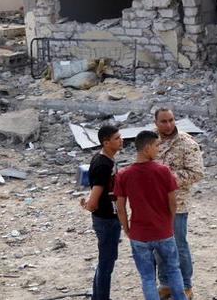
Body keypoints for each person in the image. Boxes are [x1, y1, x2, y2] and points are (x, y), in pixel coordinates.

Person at [114, 131, 187, 300]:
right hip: (163, 231)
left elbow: (121, 207)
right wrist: (169, 222)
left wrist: (127, 229)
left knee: (147, 277)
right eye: (156, 146)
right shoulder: (163, 171)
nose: (158, 149)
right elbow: (172, 202)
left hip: (139, 234)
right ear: (147, 148)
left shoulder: (124, 174)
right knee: (173, 270)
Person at [153, 108, 204, 300]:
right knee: (159, 245)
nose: (168, 125)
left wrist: (165, 179)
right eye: (163, 121)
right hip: (154, 203)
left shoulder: (186, 143)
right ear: (156, 122)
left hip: (177, 204)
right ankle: (165, 283)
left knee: (178, 245)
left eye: (171, 120)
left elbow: (197, 173)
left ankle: (185, 285)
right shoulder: (151, 141)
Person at [80, 125, 122, 300]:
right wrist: (89, 204)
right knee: (106, 263)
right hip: (107, 219)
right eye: (117, 138)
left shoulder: (104, 160)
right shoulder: (104, 165)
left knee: (105, 261)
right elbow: (97, 192)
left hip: (106, 217)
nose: (121, 140)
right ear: (106, 142)